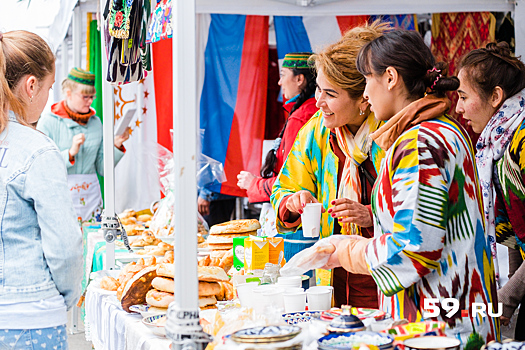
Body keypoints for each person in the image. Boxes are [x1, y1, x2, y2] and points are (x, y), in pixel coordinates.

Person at [322, 30, 499, 344]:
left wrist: (348, 251)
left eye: (366, 80)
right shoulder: (444, 130)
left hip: (438, 324)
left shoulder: (419, 143)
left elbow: (414, 248)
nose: (365, 95)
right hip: (455, 313)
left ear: (390, 77)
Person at [271, 22, 388, 308]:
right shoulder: (316, 131)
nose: (318, 102)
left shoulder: (392, 136)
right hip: (328, 286)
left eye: (330, 94)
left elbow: (420, 221)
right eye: (319, 90)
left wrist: (373, 216)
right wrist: (292, 202)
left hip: (386, 283)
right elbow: (281, 190)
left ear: (364, 98)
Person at [0, 30, 83, 349]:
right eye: (49, 88)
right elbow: (64, 246)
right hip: (30, 315)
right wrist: (66, 296)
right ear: (31, 86)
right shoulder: (38, 150)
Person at [456, 41, 525, 339]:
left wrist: (508, 296)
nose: (458, 108)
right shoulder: (498, 145)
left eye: (463, 97)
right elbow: (508, 224)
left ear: (496, 96)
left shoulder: (521, 141)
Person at [237, 52, 318, 237]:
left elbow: (291, 179)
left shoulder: (301, 118)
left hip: (300, 219)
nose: (279, 83)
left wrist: (254, 184)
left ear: (299, 79)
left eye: (283, 75)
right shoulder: (309, 113)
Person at [37, 68, 129, 223]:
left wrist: (116, 147)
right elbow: (41, 166)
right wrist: (70, 154)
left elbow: (102, 168)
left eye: (92, 97)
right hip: (60, 195)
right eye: (85, 96)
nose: (90, 101)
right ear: (68, 93)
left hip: (91, 197)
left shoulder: (96, 123)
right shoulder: (48, 122)